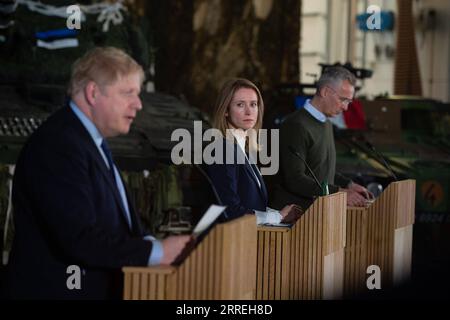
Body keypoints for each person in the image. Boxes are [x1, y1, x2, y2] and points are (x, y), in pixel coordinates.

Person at [2, 47, 191, 299]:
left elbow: (114, 227)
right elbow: (78, 238)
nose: (138, 104)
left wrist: (156, 247)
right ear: (93, 92)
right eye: (128, 93)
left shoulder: (88, 142)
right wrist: (157, 252)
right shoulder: (59, 145)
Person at [272, 66, 373, 210]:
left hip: (319, 214)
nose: (345, 108)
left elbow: (320, 170)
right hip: (295, 217)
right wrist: (340, 192)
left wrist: (349, 185)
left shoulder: (326, 122)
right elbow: (295, 179)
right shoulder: (296, 125)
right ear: (325, 91)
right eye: (343, 100)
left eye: (348, 102)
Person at [203, 78, 298, 224]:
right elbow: (231, 211)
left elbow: (251, 205)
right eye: (240, 105)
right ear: (226, 110)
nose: (249, 111)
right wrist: (277, 217)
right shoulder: (222, 149)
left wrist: (278, 214)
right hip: (229, 242)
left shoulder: (242, 148)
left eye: (253, 104)